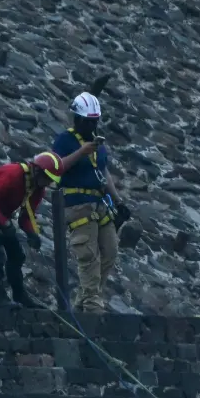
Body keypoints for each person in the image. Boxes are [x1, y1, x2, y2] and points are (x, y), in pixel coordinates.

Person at [51, 91, 131, 313]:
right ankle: (93, 305)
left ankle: (83, 299)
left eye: (95, 122)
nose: (91, 126)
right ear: (77, 119)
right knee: (88, 256)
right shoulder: (65, 140)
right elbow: (56, 167)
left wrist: (118, 201)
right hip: (77, 204)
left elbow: (102, 171)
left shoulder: (97, 143)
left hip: (99, 203)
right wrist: (81, 152)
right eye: (88, 122)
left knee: (110, 251)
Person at [0, 152, 65, 308]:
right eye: (47, 178)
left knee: (17, 254)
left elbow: (26, 216)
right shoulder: (13, 174)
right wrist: (5, 224)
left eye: (51, 181)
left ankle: (20, 296)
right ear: (37, 171)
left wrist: (32, 233)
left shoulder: (37, 188)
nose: (48, 183)